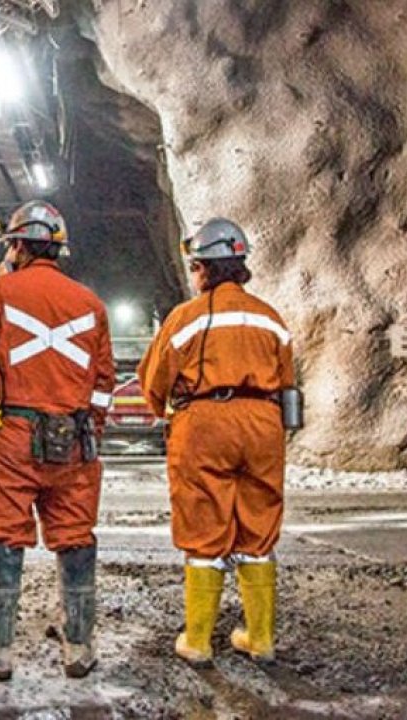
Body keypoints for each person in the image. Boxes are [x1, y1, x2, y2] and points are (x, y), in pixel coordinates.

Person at [0, 200, 115, 680]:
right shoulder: (90, 304)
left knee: (5, 531)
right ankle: (79, 644)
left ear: (18, 246)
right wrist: (90, 431)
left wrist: (0, 279)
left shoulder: (0, 291)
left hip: (13, 437)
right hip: (74, 438)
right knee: (75, 533)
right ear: (58, 249)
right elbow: (104, 380)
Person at [137, 217, 294, 666]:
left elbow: (154, 382)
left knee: (204, 531)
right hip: (263, 423)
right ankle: (260, 639)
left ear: (202, 268)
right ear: (240, 266)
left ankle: (199, 641)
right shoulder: (270, 318)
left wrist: (165, 411)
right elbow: (287, 381)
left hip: (205, 424)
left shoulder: (185, 318)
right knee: (258, 529)